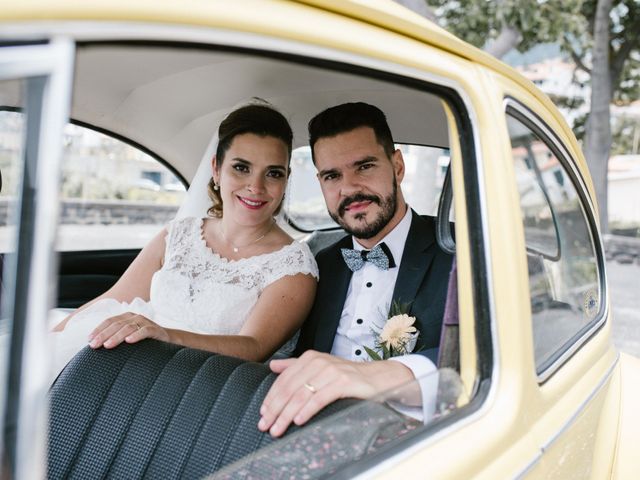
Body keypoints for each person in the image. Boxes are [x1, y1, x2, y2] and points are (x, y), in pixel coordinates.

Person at [51, 102, 318, 378]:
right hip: (127, 361)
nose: (256, 187)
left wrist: (165, 336)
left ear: (286, 179)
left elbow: (253, 347)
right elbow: (113, 299)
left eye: (273, 173)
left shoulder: (293, 265)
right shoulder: (179, 234)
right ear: (216, 169)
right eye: (241, 168)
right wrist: (49, 339)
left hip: (198, 384)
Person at [258, 102, 454, 437]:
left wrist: (386, 375)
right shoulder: (316, 265)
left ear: (397, 166)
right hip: (310, 430)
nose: (348, 189)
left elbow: (491, 350)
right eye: (332, 176)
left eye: (363, 167)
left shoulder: (459, 251)